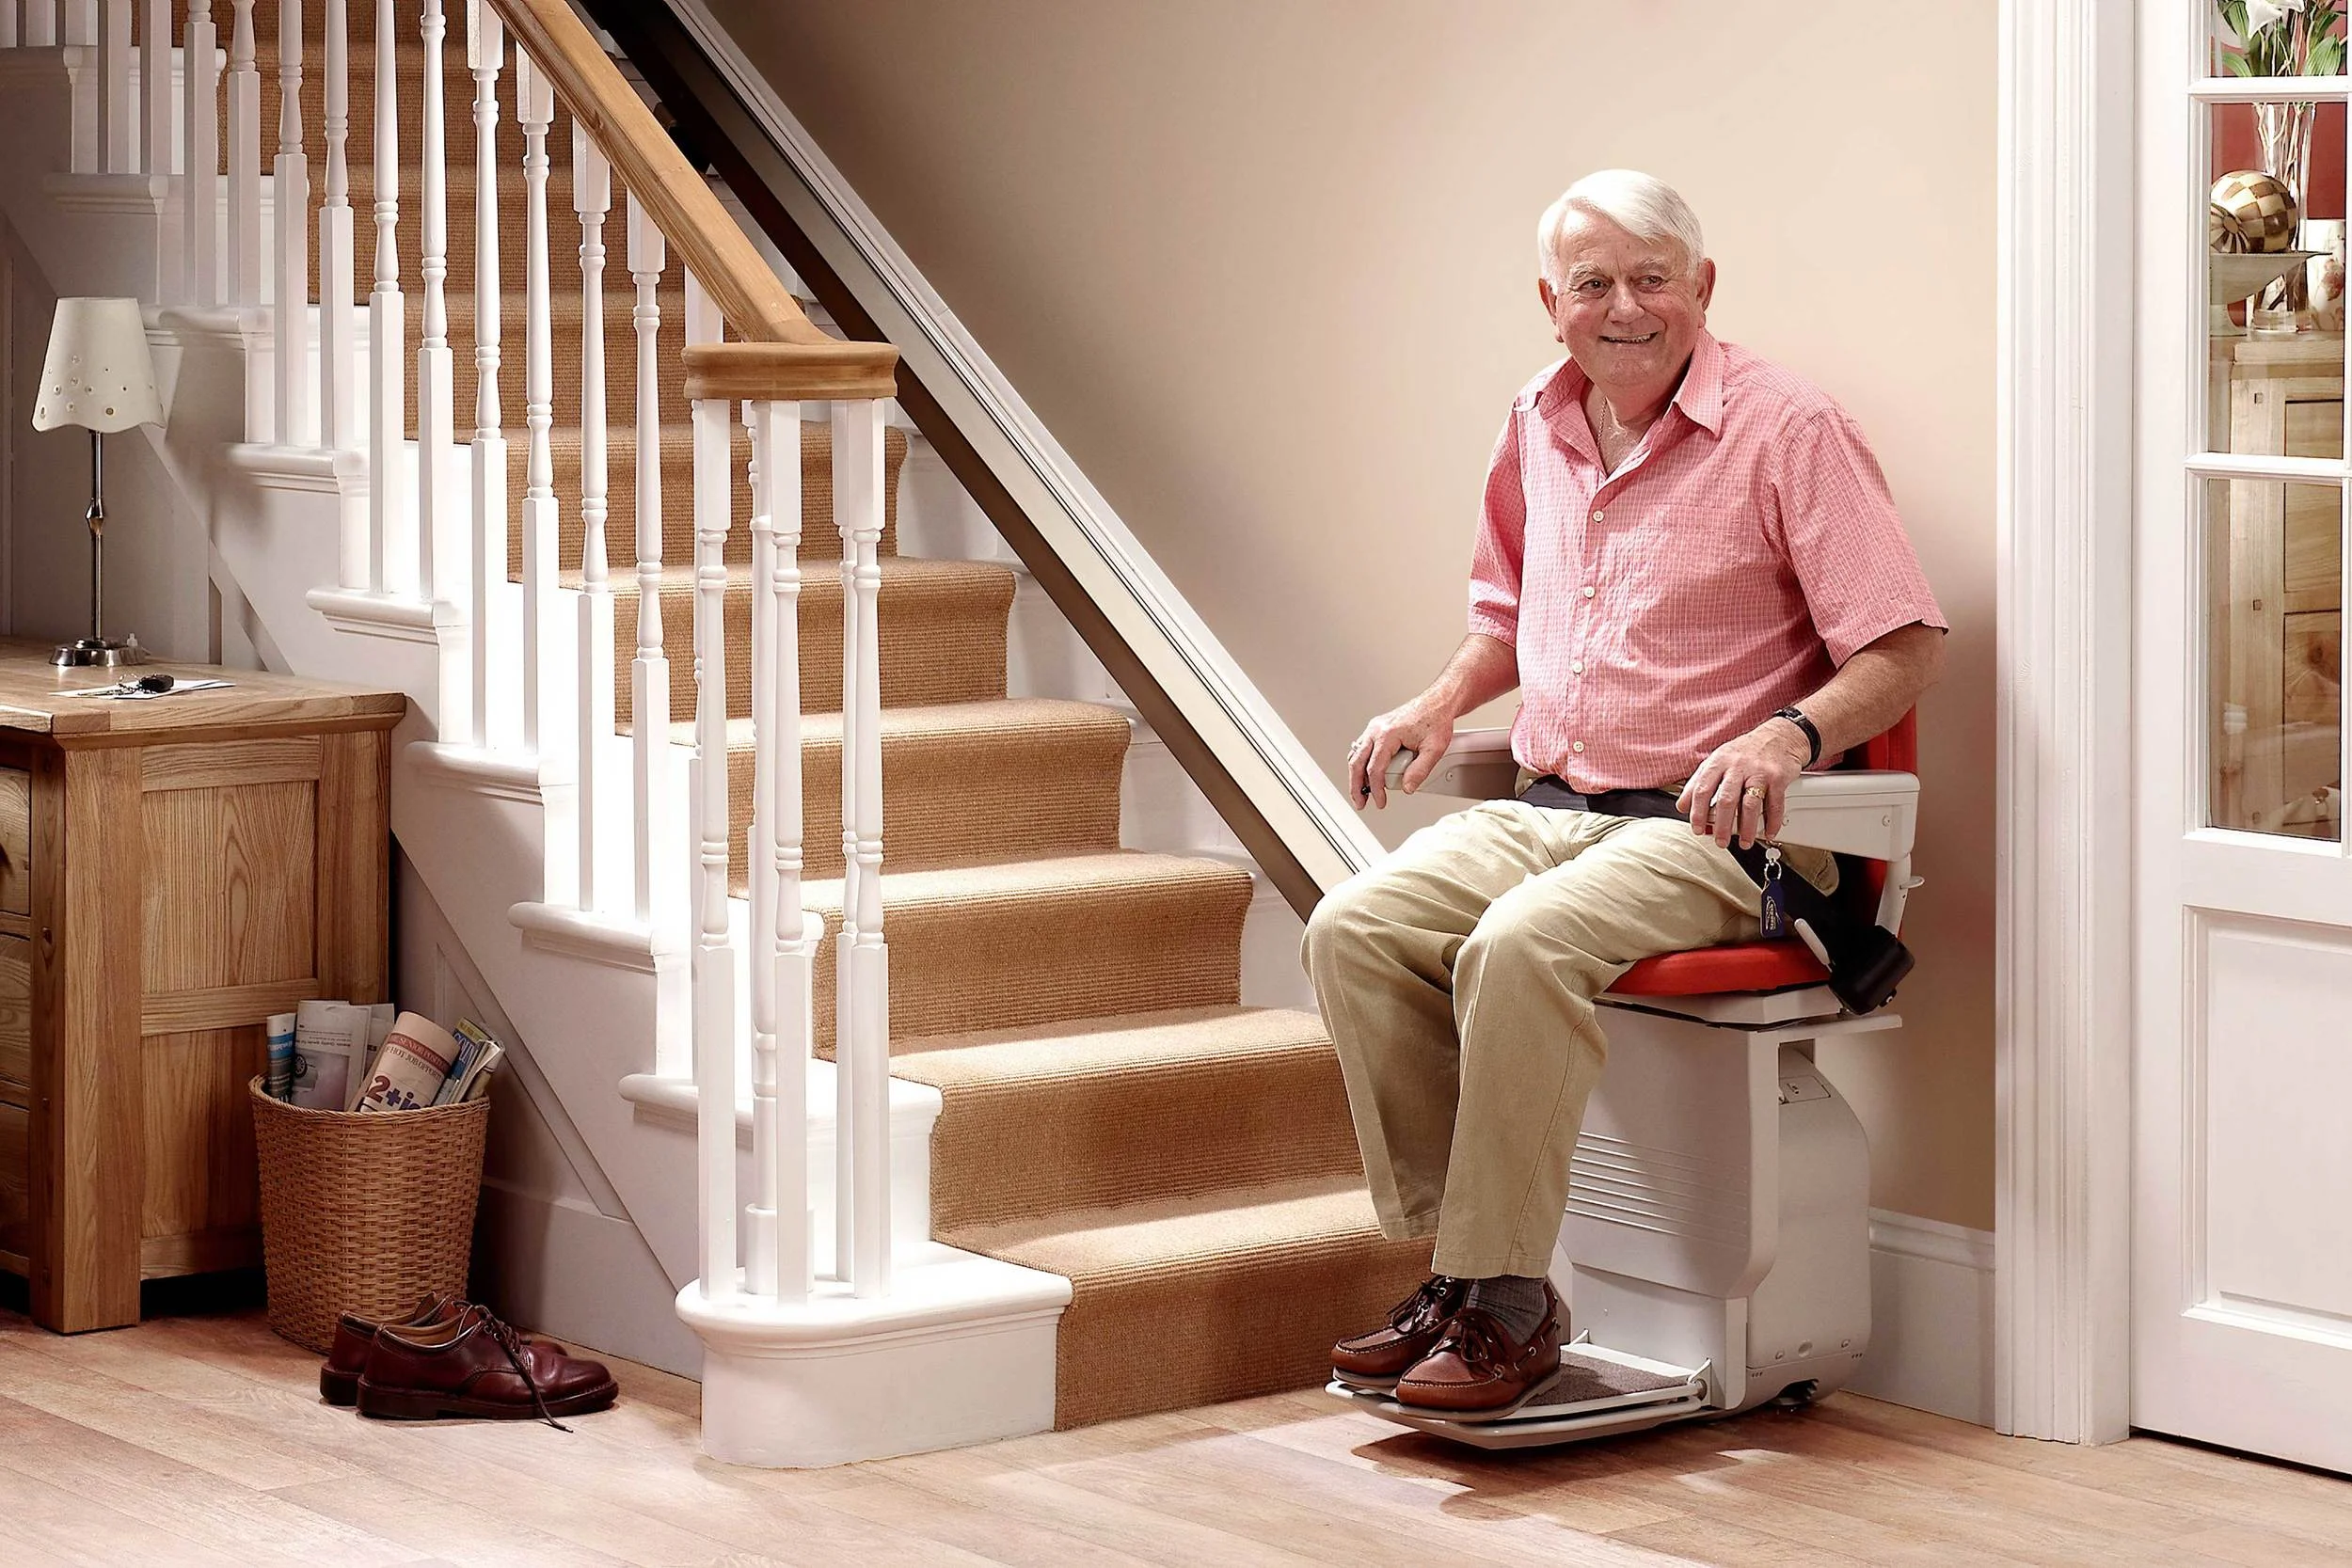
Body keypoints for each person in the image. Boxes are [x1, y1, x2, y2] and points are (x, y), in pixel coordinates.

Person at [1303, 169, 1946, 1414]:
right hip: (1557, 803)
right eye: (1594, 282)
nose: (1626, 306)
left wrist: (1789, 737)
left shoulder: (1790, 429)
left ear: (1703, 286)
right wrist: (1440, 703)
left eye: (1653, 276)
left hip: (1726, 832)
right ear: (1552, 303)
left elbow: (1903, 644)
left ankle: (1498, 1298)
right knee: (1356, 928)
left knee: (1519, 947)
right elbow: (1506, 613)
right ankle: (1465, 1273)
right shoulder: (1535, 422)